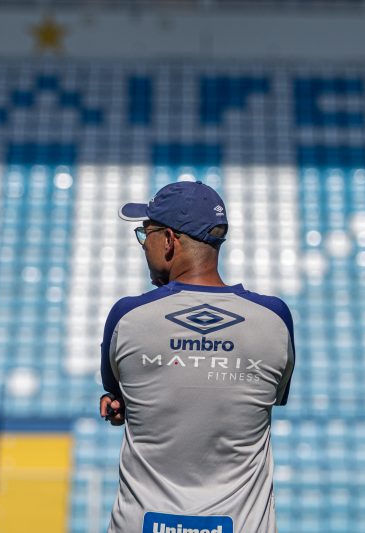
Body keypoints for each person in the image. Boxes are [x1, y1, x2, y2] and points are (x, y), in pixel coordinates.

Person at [99, 181, 295, 533]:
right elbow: (250, 396)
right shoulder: (274, 320)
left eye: (147, 234)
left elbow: (126, 393)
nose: (145, 245)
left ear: (170, 240)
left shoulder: (127, 318)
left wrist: (124, 406)